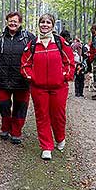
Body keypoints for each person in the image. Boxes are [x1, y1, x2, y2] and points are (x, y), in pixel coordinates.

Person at [20, 13, 75, 160]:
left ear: (52, 25)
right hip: (39, 88)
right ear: (39, 25)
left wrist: (64, 76)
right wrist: (32, 77)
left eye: (48, 22)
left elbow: (70, 61)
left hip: (59, 87)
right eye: (42, 22)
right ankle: (46, 146)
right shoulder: (32, 44)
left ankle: (60, 137)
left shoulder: (59, 42)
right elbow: (25, 65)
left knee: (58, 115)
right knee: (42, 115)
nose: (45, 25)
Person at [0, 11, 35, 144]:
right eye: (10, 20)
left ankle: (16, 131)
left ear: (20, 23)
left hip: (22, 80)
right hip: (3, 79)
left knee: (21, 106)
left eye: (15, 21)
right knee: (3, 105)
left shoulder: (28, 38)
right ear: (7, 21)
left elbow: (35, 58)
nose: (13, 23)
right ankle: (5, 127)